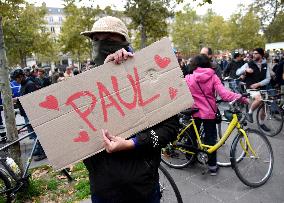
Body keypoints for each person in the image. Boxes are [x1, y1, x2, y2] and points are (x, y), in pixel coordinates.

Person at [80, 16, 179, 203]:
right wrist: (102, 74)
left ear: (123, 42)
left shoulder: (148, 77)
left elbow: (171, 129)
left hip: (143, 187)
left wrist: (133, 143)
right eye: (96, 40)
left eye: (108, 39)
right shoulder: (83, 83)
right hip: (103, 189)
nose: (101, 45)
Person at [185, 54, 248, 176]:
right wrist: (241, 98)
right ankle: (212, 166)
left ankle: (190, 158)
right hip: (209, 112)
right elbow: (225, 95)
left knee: (192, 135)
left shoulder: (189, 78)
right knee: (210, 139)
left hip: (194, 111)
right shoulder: (213, 76)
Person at [12, 69, 47, 161]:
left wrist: (17, 100)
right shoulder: (24, 84)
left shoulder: (30, 84)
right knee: (34, 134)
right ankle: (39, 150)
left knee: (37, 134)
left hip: (31, 113)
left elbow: (31, 99)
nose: (16, 81)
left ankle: (43, 153)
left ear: (21, 76)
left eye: (16, 79)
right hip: (26, 113)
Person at [236, 48, 271, 131]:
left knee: (265, 107)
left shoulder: (265, 65)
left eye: (256, 53)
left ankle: (262, 123)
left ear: (261, 55)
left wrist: (258, 84)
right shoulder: (249, 64)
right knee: (259, 99)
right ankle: (249, 113)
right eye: (253, 53)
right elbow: (237, 72)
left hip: (261, 88)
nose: (253, 55)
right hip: (250, 88)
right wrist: (245, 69)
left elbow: (268, 79)